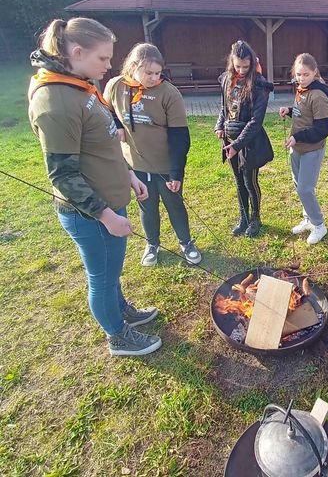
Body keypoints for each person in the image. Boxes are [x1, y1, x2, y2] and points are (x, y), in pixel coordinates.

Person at [28, 18, 162, 357]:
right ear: (77, 52)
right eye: (103, 58)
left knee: (112, 270)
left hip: (110, 200)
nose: (109, 66)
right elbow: (63, 176)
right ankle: (117, 335)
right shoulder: (55, 100)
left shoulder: (79, 85)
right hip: (89, 214)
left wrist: (129, 175)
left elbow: (102, 144)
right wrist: (106, 215)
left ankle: (122, 312)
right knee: (101, 276)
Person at [103, 43, 200, 267]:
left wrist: (176, 172)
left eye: (158, 73)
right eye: (149, 73)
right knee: (146, 205)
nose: (154, 78)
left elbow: (180, 136)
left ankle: (186, 242)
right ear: (134, 66)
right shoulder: (115, 85)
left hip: (166, 166)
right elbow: (105, 108)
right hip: (136, 163)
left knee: (174, 205)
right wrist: (117, 124)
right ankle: (152, 244)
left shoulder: (168, 93)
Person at [215, 40, 274, 237]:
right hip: (229, 141)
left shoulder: (259, 85)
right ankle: (244, 218)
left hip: (250, 141)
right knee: (238, 182)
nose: (241, 70)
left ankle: (256, 218)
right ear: (232, 62)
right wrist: (219, 126)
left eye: (245, 66)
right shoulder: (226, 80)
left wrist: (238, 144)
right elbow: (224, 109)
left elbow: (256, 122)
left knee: (250, 182)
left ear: (252, 63)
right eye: (237, 65)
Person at [279, 53, 328, 245]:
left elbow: (322, 129)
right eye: (298, 74)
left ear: (315, 73)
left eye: (306, 74)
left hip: (312, 148)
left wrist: (297, 137)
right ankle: (308, 219)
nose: (301, 78)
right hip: (297, 148)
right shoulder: (302, 90)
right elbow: (304, 114)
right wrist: (290, 110)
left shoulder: (318, 96)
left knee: (305, 189)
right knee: (298, 185)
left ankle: (319, 225)